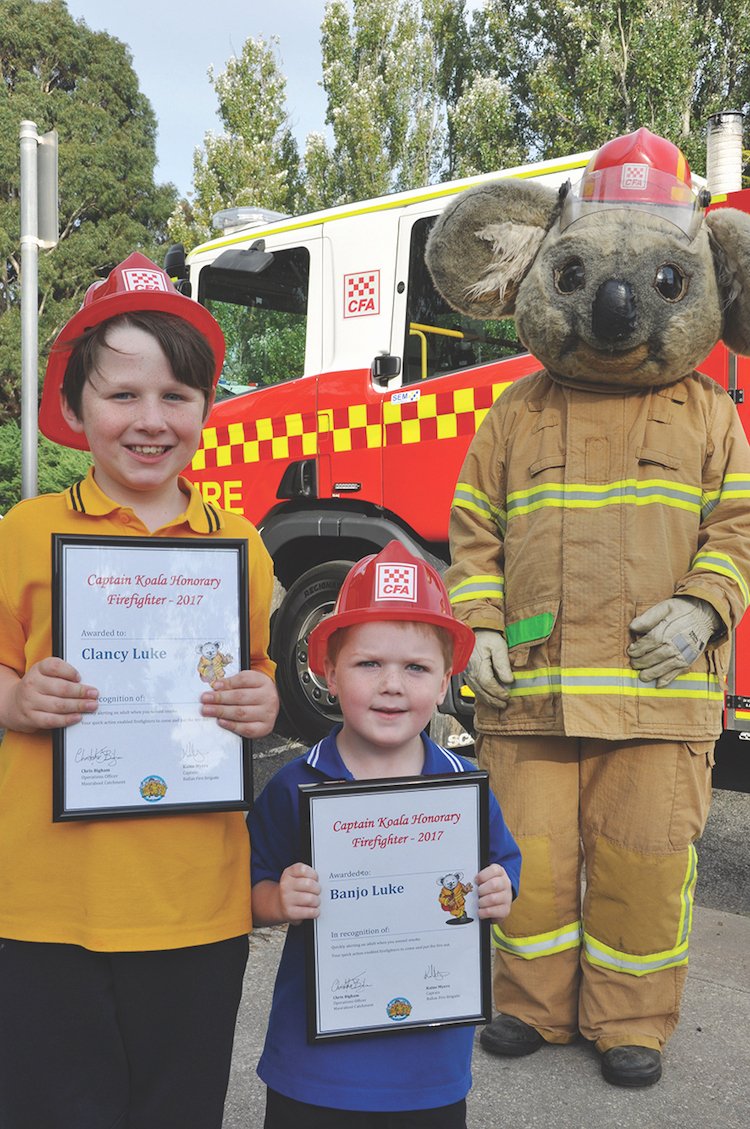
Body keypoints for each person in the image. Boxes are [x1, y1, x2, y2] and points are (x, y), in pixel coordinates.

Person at [424, 128, 750, 1087]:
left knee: (645, 863)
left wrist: (702, 608)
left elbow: (737, 530)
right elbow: (472, 527)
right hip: (531, 697)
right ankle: (529, 1004)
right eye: (580, 274)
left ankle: (632, 1019)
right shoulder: (513, 415)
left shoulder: (711, 416)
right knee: (527, 858)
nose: (614, 307)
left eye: (660, 283)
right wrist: (478, 623)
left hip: (660, 704)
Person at [0, 252, 279, 1129]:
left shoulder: (243, 546)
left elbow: (260, 676)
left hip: (196, 906)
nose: (150, 420)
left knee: (178, 1110)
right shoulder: (26, 531)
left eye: (175, 397)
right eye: (122, 396)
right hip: (45, 906)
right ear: (77, 410)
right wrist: (14, 700)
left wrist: (260, 704)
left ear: (204, 408)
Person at [248, 540, 522, 1129]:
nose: (392, 685)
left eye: (417, 668)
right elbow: (246, 891)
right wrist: (276, 900)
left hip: (429, 1074)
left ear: (447, 679)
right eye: (368, 664)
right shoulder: (294, 786)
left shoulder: (463, 787)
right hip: (313, 1072)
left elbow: (502, 867)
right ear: (327, 671)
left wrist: (500, 892)